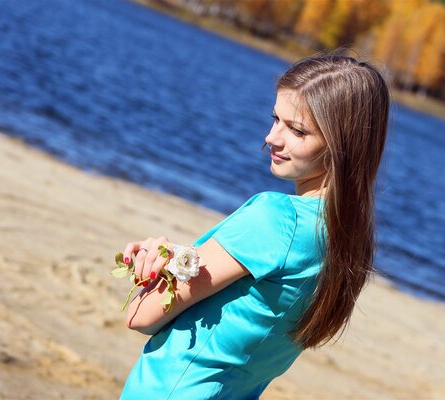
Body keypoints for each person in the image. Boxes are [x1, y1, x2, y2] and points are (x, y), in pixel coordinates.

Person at [118, 52, 390, 399]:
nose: (272, 138)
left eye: (297, 130)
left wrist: (157, 268)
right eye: (276, 119)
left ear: (341, 144)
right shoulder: (346, 237)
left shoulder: (277, 219)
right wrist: (179, 261)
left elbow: (141, 316)